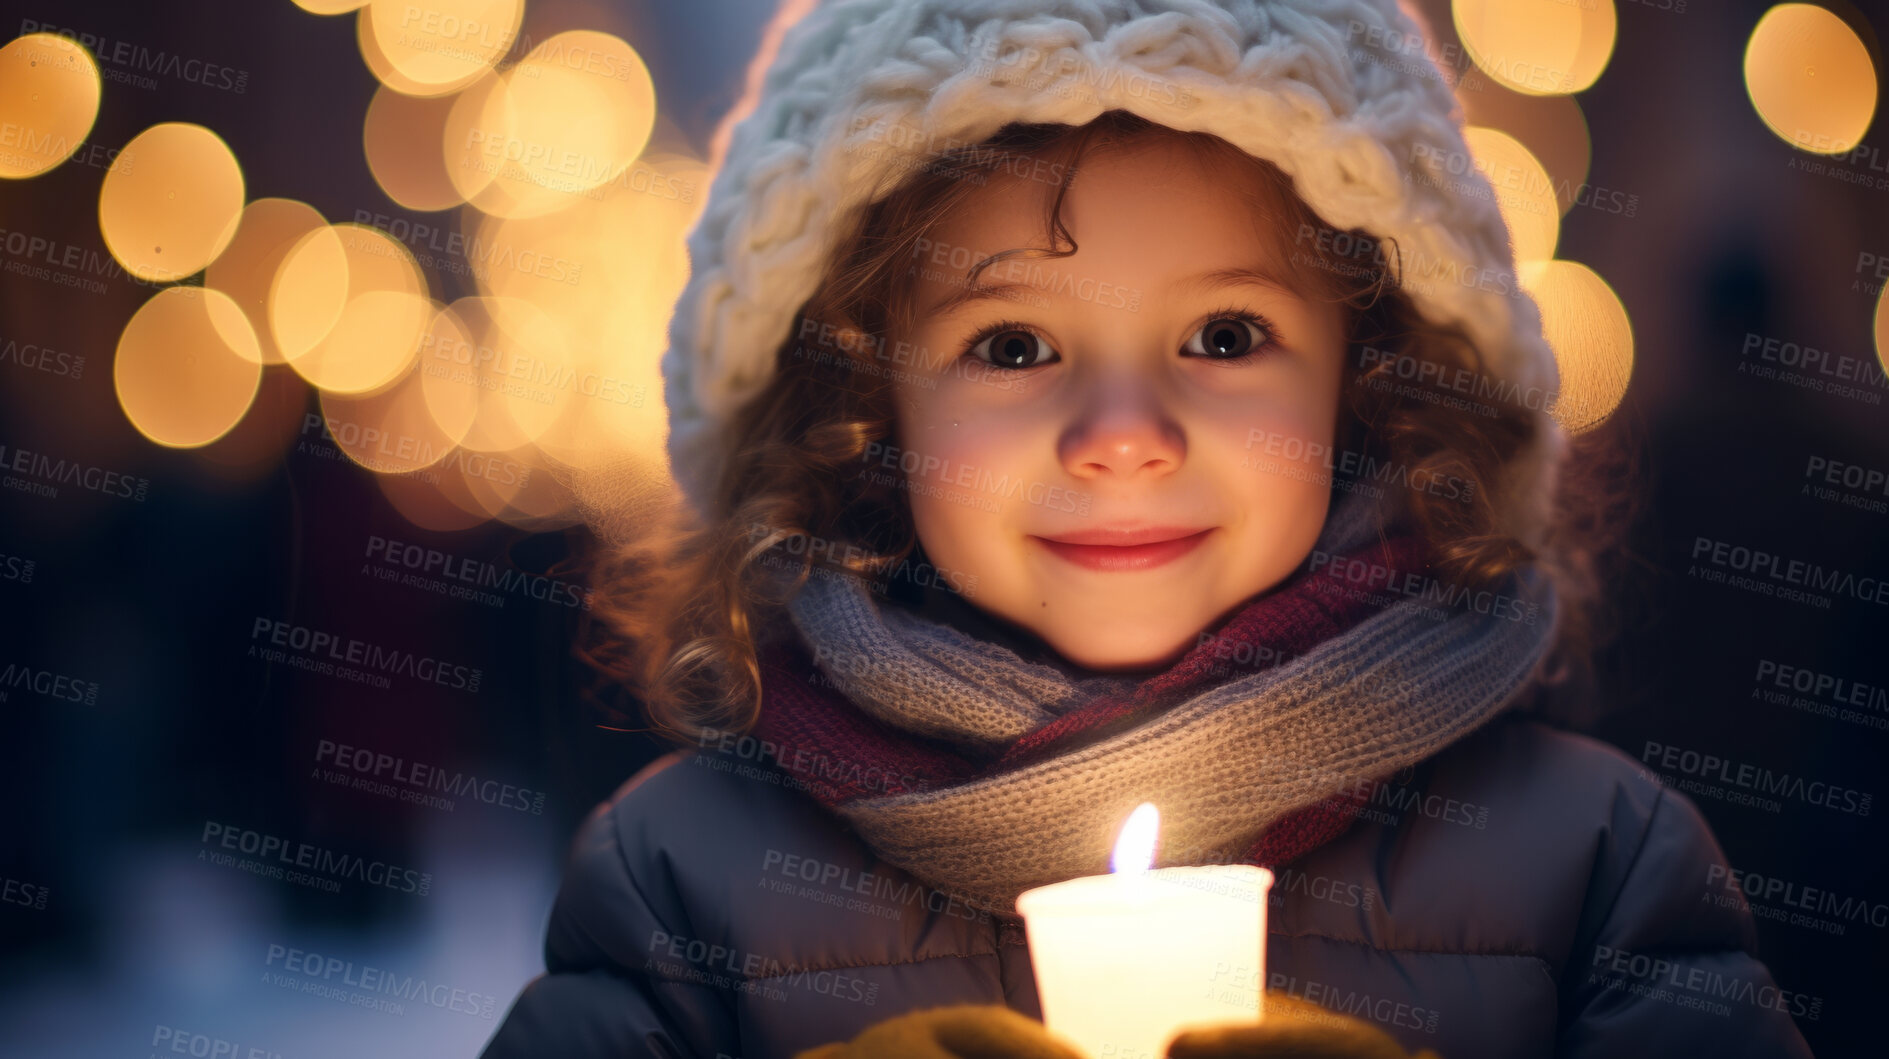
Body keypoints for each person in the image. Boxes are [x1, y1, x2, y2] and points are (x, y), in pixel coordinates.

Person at [481, 1, 1815, 1057]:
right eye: (1010, 345)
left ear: (1365, 380)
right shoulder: (685, 889)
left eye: (1223, 336)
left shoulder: (1589, 868)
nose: (1122, 433)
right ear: (859, 401)